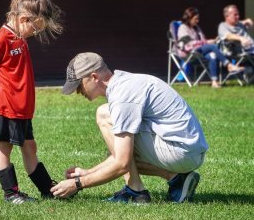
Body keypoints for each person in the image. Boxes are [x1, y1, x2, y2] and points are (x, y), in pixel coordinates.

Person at [51, 52, 208, 204]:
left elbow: (122, 163)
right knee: (120, 145)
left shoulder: (122, 96)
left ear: (94, 77)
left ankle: (135, 191)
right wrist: (88, 173)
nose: (78, 92)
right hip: (187, 150)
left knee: (104, 115)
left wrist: (78, 184)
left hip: (181, 151)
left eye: (79, 85)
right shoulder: (124, 82)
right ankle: (177, 178)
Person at [0, 0, 63, 204]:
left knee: (30, 146)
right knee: (5, 149)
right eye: (35, 28)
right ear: (23, 19)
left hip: (22, 107)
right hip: (5, 106)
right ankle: (11, 194)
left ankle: (47, 190)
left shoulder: (20, 37)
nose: (35, 33)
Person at [177, 7, 243, 88]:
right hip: (188, 54)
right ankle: (229, 65)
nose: (197, 21)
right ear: (189, 18)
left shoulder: (196, 28)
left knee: (212, 55)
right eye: (195, 19)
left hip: (198, 52)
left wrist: (209, 41)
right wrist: (207, 43)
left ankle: (214, 82)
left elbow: (203, 40)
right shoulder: (183, 28)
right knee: (213, 47)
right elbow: (187, 45)